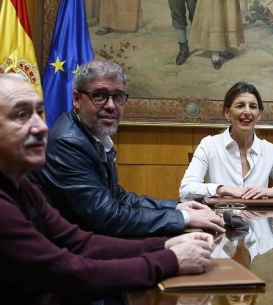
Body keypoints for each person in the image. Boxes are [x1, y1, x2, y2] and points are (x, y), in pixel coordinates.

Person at [0, 73, 215, 305]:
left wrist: (163, 243)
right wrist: (169, 260)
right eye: (21, 116)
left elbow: (76, 241)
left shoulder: (15, 181)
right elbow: (68, 273)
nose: (41, 127)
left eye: (39, 113)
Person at [30, 60, 224, 237]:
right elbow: (107, 217)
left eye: (118, 97)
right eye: (99, 96)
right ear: (76, 99)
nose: (111, 106)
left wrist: (177, 207)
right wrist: (184, 219)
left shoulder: (91, 137)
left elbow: (117, 197)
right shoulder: (68, 142)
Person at [179, 81, 273, 202]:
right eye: (240, 106)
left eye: (253, 107)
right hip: (219, 222)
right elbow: (185, 190)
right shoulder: (209, 145)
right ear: (227, 112)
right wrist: (222, 189)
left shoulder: (269, 150)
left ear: (259, 114)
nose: (247, 112)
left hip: (259, 223)